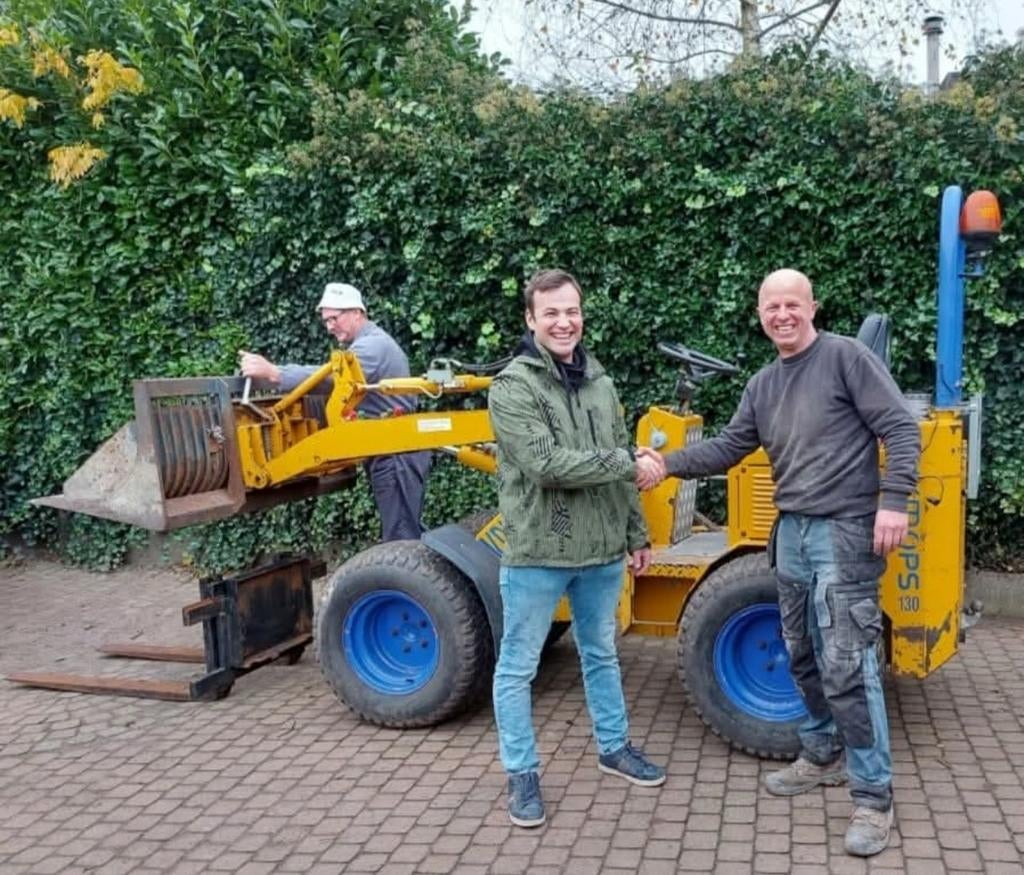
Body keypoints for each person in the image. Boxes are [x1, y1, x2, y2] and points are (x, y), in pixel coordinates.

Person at [641, 268, 919, 857]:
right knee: (800, 651)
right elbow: (731, 446)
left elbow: (900, 425)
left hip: (846, 531)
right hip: (790, 531)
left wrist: (893, 502)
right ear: (760, 313)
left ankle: (873, 796)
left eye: (793, 303)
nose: (783, 314)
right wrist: (666, 465)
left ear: (812, 306)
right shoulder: (764, 385)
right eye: (772, 306)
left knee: (849, 662)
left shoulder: (845, 359)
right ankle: (820, 751)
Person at [488, 268, 667, 829]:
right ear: (531, 320)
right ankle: (522, 774)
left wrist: (635, 534)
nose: (564, 322)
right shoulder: (513, 387)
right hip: (539, 552)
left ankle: (614, 748)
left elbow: (622, 467)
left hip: (601, 553)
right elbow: (545, 465)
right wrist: (625, 462)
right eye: (551, 313)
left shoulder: (600, 383)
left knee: (602, 653)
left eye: (572, 311)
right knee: (517, 667)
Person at [239, 282, 432, 542]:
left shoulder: (372, 347)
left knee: (401, 536)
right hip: (394, 451)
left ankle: (410, 581)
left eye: (334, 318)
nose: (330, 326)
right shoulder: (372, 343)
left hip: (396, 454)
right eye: (326, 321)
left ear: (357, 312)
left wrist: (275, 374)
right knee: (403, 529)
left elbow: (330, 379)